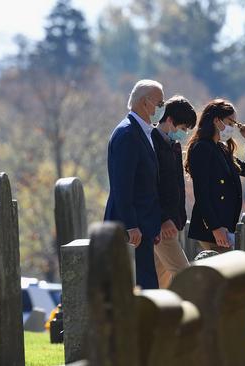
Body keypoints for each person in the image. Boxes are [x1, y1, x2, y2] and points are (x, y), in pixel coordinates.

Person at [104, 79, 165, 289]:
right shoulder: (128, 134)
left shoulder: (143, 132)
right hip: (131, 229)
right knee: (138, 289)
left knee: (147, 286)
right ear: (144, 102)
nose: (161, 108)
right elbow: (123, 185)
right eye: (159, 103)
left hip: (144, 225)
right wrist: (131, 225)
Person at [185, 99, 245, 252]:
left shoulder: (222, 149)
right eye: (230, 123)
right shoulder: (202, 148)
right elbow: (201, 193)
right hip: (212, 229)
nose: (232, 128)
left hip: (226, 226)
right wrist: (215, 227)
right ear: (217, 121)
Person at [150, 95, 197, 288]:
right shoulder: (151, 143)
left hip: (173, 223)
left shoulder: (174, 146)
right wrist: (163, 218)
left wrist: (177, 217)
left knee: (160, 282)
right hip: (161, 224)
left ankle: (157, 318)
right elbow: (150, 186)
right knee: (185, 276)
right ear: (169, 120)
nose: (184, 134)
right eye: (183, 128)